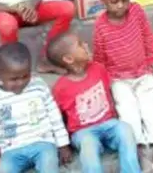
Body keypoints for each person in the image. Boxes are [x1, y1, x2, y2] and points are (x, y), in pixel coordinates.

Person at [93, 0, 153, 165]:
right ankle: (140, 154)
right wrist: (104, 81)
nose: (121, 5)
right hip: (118, 79)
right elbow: (99, 55)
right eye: (114, 1)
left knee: (151, 108)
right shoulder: (100, 25)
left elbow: (147, 35)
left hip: (142, 71)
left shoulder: (136, 12)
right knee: (129, 114)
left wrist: (151, 57)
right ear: (103, 1)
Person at [47, 32, 142, 173]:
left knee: (125, 130)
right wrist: (63, 145)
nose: (86, 45)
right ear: (68, 58)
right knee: (88, 146)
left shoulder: (98, 69)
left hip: (108, 123)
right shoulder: (61, 88)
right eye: (80, 44)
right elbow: (56, 117)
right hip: (82, 131)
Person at [0, 42, 72, 173]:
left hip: (43, 143)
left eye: (25, 76)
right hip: (12, 150)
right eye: (13, 79)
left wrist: (63, 144)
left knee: (49, 163)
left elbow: (54, 114)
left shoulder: (39, 86)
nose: (20, 83)